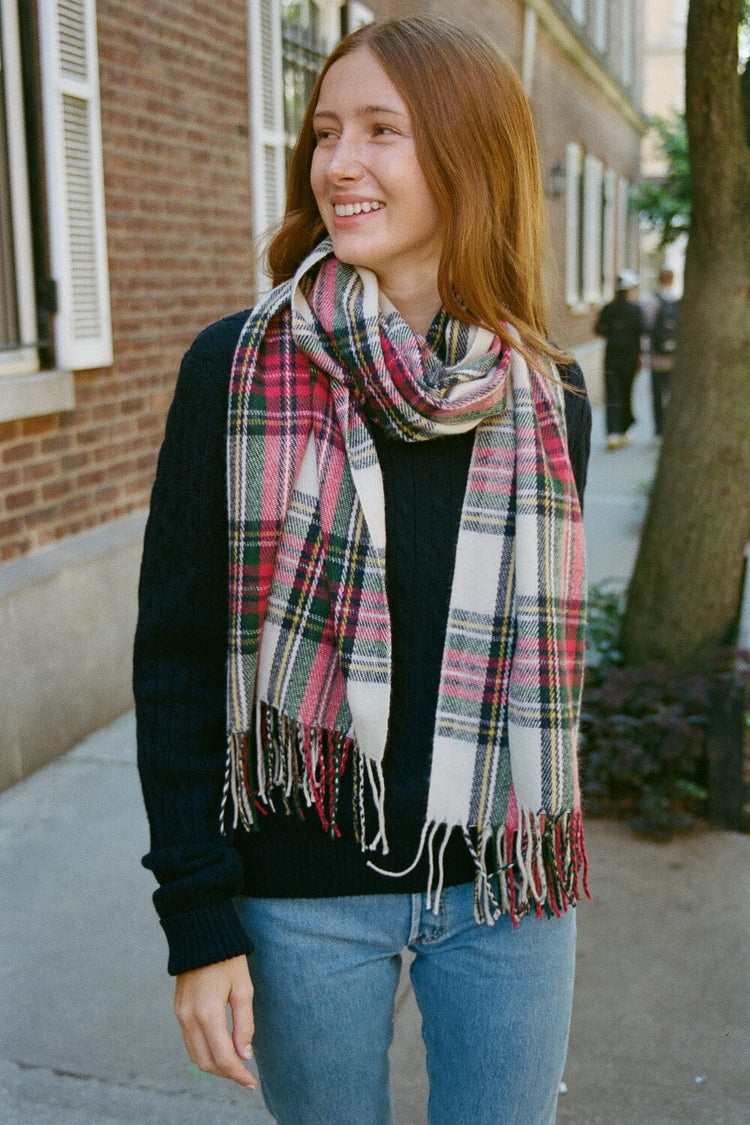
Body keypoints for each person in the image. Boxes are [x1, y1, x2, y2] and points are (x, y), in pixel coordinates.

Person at [134, 16, 591, 1125]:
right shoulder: (234, 370)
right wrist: (198, 924)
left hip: (506, 892)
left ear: (470, 155)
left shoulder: (548, 393)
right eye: (327, 130)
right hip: (302, 898)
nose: (339, 163)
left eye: (383, 131)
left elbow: (549, 658)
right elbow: (179, 659)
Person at [594, 269, 646, 449]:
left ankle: (612, 433)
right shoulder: (635, 309)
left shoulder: (608, 309)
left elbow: (598, 329)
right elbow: (644, 329)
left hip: (611, 358)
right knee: (626, 393)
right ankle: (623, 430)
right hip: (630, 359)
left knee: (612, 394)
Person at [646, 267, 680, 437]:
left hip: (656, 358)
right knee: (672, 394)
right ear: (672, 280)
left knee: (657, 395)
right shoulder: (676, 300)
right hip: (673, 358)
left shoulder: (652, 300)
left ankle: (659, 431)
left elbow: (648, 326)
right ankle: (670, 430)